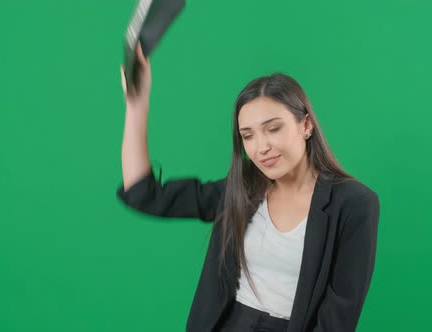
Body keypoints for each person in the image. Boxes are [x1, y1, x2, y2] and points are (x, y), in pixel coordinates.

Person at [117, 42, 381, 332]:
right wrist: (136, 104)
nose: (261, 147)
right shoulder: (242, 187)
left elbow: (339, 316)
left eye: (273, 128)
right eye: (248, 135)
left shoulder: (355, 203)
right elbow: (145, 195)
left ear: (305, 125)